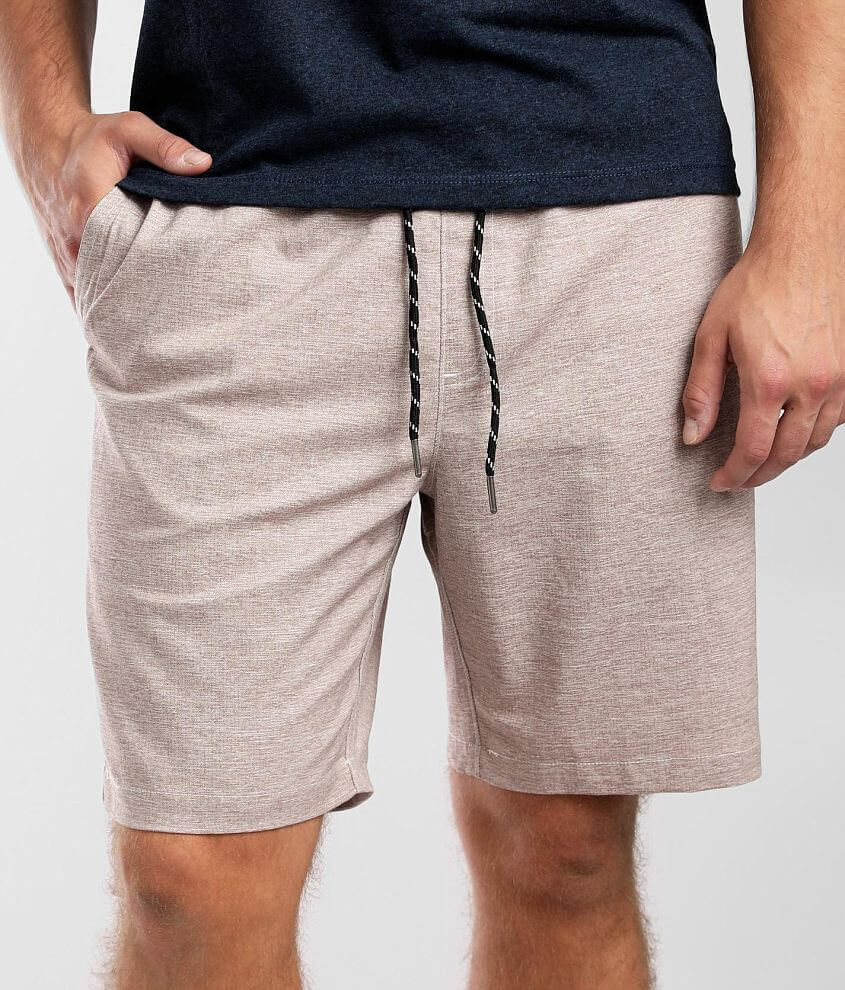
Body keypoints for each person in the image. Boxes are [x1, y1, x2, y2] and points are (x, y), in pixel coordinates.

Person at [1, 1, 842, 987]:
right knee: (187, 878)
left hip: (613, 203)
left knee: (566, 849)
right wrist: (43, 125)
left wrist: (810, 233)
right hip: (232, 194)